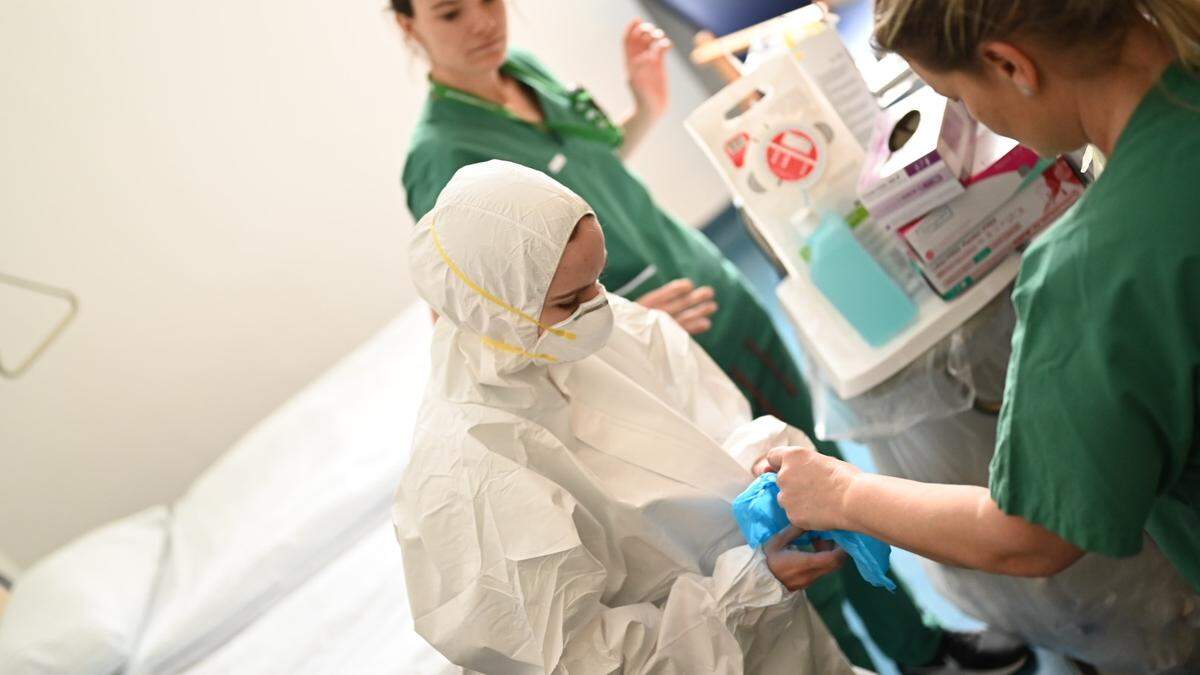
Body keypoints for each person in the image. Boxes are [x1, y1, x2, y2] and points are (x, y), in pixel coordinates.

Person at [388, 2, 1030, 671]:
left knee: (813, 482)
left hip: (698, 310)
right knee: (793, 558)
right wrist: (754, 588)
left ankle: (916, 644)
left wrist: (643, 103)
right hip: (723, 587)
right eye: (452, 11)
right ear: (408, 24)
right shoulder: (486, 460)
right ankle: (887, 642)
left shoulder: (612, 318)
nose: (484, 22)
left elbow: (581, 175)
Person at [766, 0, 1200, 595]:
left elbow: (1027, 537)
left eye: (958, 97)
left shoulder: (1093, 270)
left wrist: (841, 492)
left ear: (1009, 64)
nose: (970, 119)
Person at [395, 159, 857, 674]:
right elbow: (578, 661)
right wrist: (747, 589)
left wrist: (760, 465)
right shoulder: (474, 471)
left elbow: (710, 416)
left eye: (599, 279)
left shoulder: (583, 325)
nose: (600, 305)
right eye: (571, 298)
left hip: (786, 638)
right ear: (494, 310)